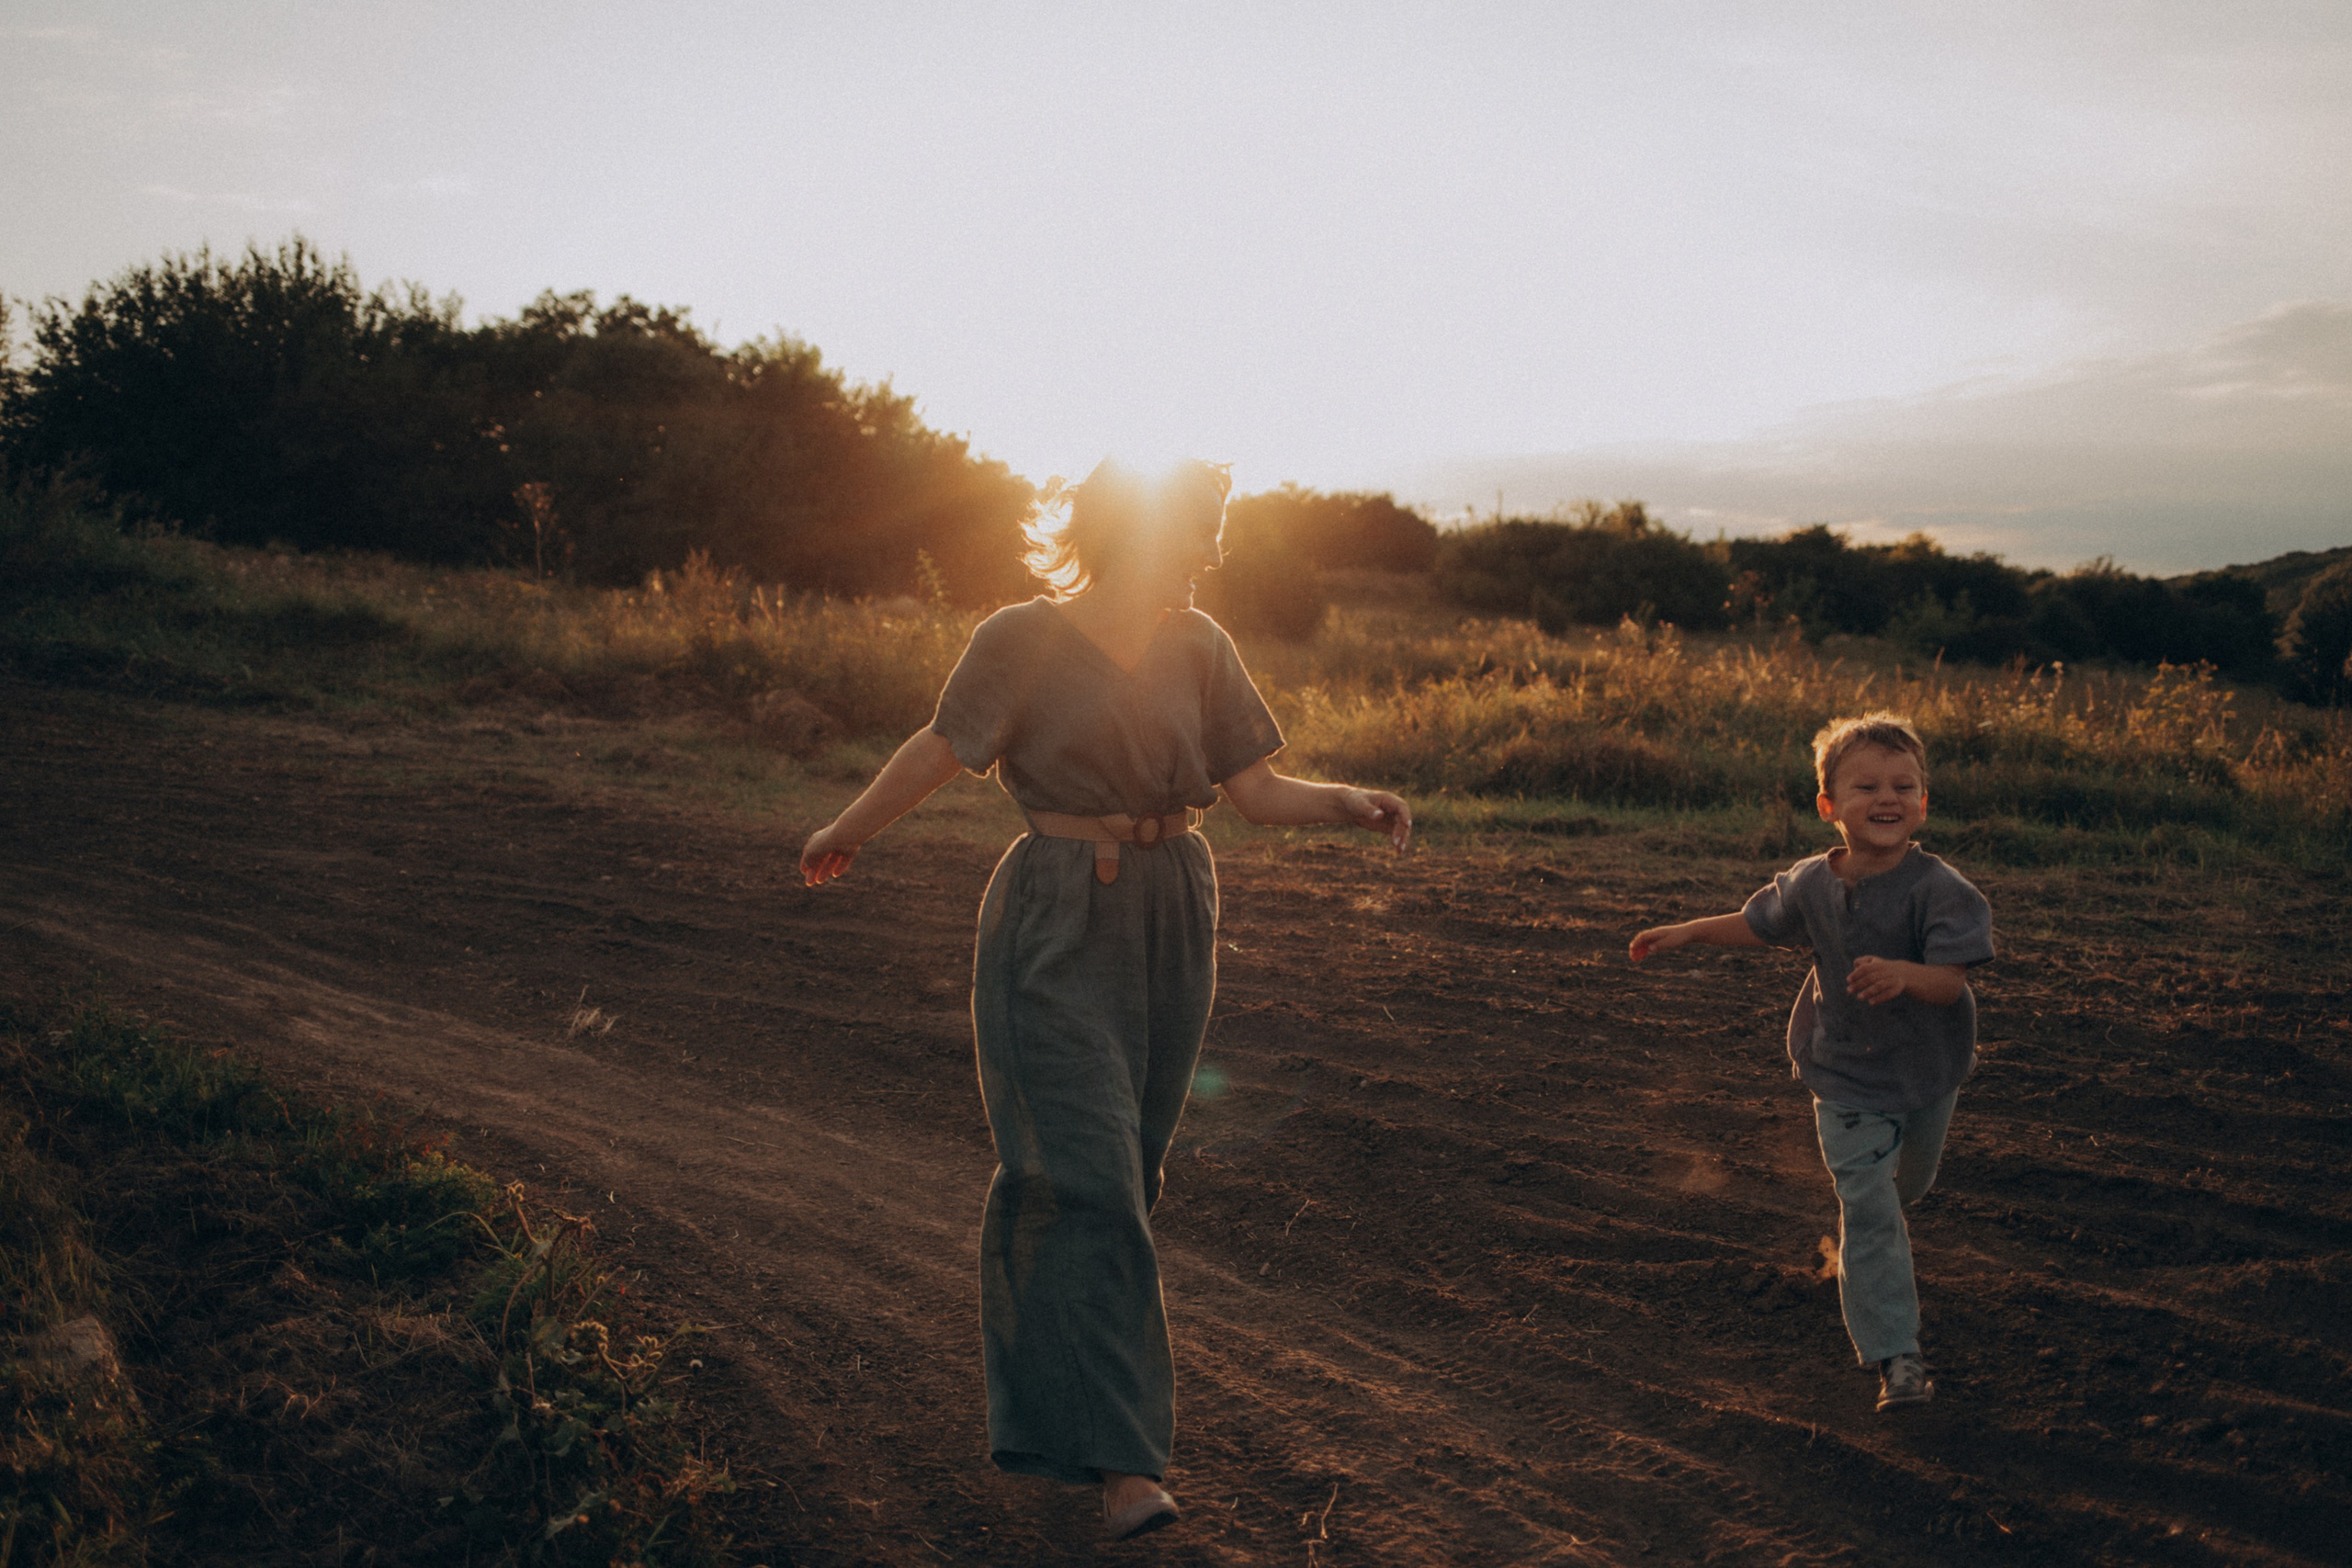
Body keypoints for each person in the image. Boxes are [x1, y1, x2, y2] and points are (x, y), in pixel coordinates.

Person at [798, 457, 1411, 1539]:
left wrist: (1350, 802)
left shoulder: (1200, 645)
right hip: (1056, 913)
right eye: (1197, 530)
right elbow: (943, 747)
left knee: (1129, 1173)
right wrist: (848, 828)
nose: (1211, 552)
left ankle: (1065, 1423)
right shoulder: (1019, 638)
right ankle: (1128, 1467)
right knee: (1086, 1178)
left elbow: (1256, 790)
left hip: (1176, 912)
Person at [1626, 714, 1994, 1413]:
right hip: (1844, 1073)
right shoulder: (1809, 883)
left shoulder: (1942, 890)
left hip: (1928, 1072)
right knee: (1870, 1206)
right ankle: (1896, 1356)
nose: (1886, 798)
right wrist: (1691, 931)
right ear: (1829, 805)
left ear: (1922, 803)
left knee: (1907, 1189)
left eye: (1902, 786)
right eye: (1866, 786)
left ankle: (1868, 1247)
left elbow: (1950, 984)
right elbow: (1758, 924)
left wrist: (1904, 974)